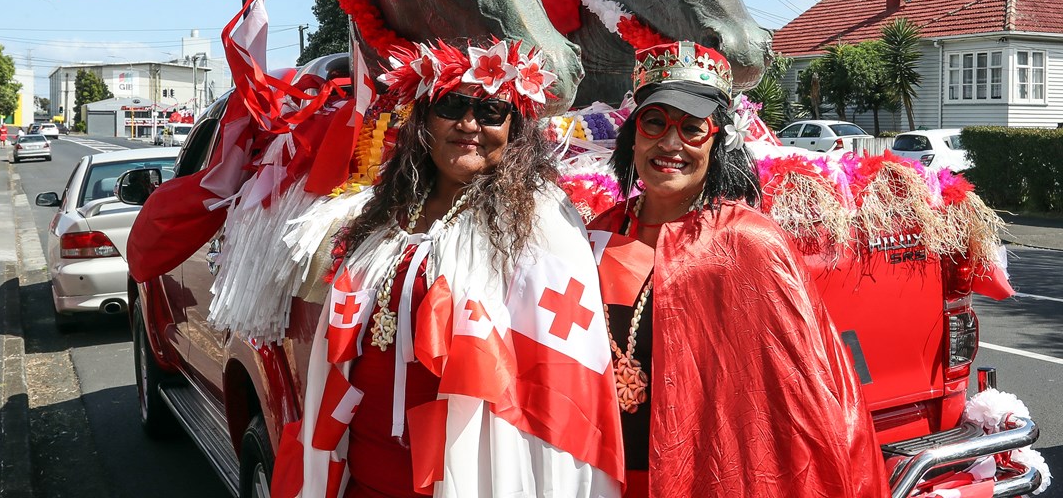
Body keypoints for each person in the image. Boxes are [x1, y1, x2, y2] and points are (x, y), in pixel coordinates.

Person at [283, 40, 623, 498]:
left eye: (490, 111)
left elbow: (562, 377)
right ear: (423, 119)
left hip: (469, 472)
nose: (469, 124)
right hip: (364, 472)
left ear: (515, 126)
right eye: (452, 105)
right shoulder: (391, 209)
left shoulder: (540, 219)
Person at [591, 37, 888, 498]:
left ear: (719, 144)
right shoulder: (597, 234)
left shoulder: (748, 243)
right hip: (599, 477)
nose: (670, 143)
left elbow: (807, 400)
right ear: (634, 135)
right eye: (655, 122)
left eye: (693, 128)